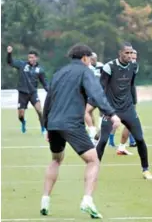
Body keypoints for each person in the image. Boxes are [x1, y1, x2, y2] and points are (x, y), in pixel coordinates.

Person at [40, 44, 121, 219]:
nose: (91, 61)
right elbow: (97, 94)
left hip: (54, 123)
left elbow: (48, 100)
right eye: (90, 58)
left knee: (56, 159)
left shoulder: (59, 73)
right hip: (71, 124)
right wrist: (112, 114)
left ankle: (45, 200)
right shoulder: (85, 71)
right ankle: (87, 200)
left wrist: (47, 125)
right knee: (93, 160)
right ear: (84, 58)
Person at [96, 42, 152, 180]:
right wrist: (104, 109)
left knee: (139, 139)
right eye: (126, 53)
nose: (129, 55)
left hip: (128, 108)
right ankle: (94, 169)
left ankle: (145, 170)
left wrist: (134, 103)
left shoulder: (134, 66)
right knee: (103, 140)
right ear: (120, 53)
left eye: (131, 52)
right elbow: (100, 89)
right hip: (111, 110)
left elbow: (131, 84)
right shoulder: (109, 67)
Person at [6, 46, 49, 134]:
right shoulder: (22, 65)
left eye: (32, 57)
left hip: (33, 93)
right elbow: (10, 62)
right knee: (20, 115)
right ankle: (23, 122)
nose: (31, 59)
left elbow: (45, 84)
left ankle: (43, 128)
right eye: (29, 57)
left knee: (40, 110)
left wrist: (51, 91)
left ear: (36, 58)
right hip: (22, 94)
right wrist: (9, 53)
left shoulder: (40, 70)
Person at [84, 52, 104, 141]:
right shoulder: (87, 67)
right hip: (91, 93)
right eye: (91, 58)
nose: (92, 60)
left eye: (94, 58)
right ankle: (93, 130)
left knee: (102, 112)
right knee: (87, 112)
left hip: (101, 93)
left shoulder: (101, 66)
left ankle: (99, 131)